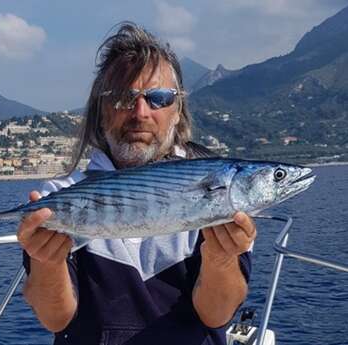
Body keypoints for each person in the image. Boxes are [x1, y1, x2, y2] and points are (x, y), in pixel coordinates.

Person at [17, 22, 256, 345]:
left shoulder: (213, 187)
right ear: (101, 110)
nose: (140, 112)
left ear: (177, 110)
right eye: (122, 98)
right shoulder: (59, 197)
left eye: (159, 98)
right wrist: (47, 263)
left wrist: (221, 258)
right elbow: (55, 318)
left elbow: (215, 315)